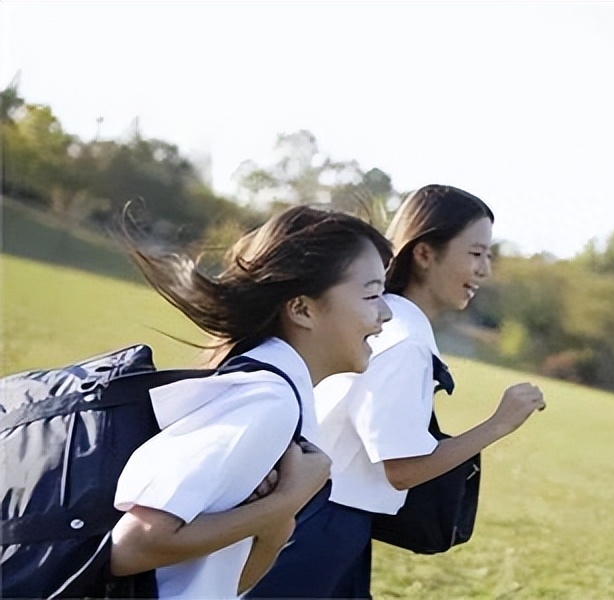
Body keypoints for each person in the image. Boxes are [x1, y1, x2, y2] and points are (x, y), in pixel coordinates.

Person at [248, 184, 546, 599]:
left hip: (324, 517)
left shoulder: (386, 321)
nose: (485, 270)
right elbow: (402, 468)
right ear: (424, 253)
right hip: (324, 524)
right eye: (475, 254)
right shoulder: (404, 339)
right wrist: (498, 424)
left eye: (488, 256)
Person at [109, 204, 394, 599]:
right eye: (372, 295)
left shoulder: (280, 396)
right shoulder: (267, 400)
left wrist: (279, 524)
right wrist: (287, 500)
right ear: (301, 308)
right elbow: (131, 546)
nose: (386, 313)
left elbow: (229, 583)